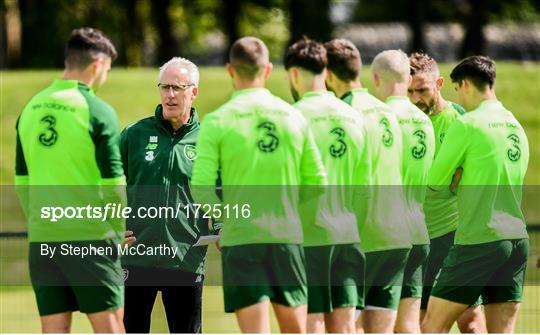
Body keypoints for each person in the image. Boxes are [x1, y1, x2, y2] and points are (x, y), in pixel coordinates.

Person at [191, 36, 326, 333]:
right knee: (296, 331)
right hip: (286, 237)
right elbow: (317, 182)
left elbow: (201, 187)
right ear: (267, 69)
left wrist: (228, 218)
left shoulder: (217, 120)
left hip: (242, 240)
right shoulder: (294, 115)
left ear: (230, 70)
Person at [15, 27, 125, 333]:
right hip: (91, 237)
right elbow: (114, 183)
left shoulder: (30, 108)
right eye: (108, 69)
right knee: (111, 327)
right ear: (97, 65)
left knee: (53, 329)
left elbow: (22, 181)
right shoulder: (98, 111)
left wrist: (41, 223)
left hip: (43, 240)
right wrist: (116, 233)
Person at [421, 56, 530, 333]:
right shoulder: (515, 126)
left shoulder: (468, 124)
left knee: (432, 324)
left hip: (480, 239)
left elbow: (435, 181)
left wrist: (457, 174)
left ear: (465, 84)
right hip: (517, 240)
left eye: (457, 89)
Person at [324, 38, 411, 333]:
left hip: (364, 236)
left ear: (327, 74)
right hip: (397, 235)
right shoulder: (387, 111)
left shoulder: (341, 113)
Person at [284, 37, 369, 333]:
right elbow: (365, 190)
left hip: (308, 239)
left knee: (311, 325)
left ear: (294, 74)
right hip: (349, 235)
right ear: (325, 70)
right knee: (345, 328)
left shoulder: (291, 118)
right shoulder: (355, 117)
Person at [120, 57, 209, 333]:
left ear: (193, 92)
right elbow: (103, 185)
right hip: (136, 257)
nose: (170, 95)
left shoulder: (209, 140)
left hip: (185, 259)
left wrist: (222, 227)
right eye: (165, 87)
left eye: (178, 88)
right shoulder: (134, 135)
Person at [408, 52, 487, 333]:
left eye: (422, 90)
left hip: (451, 235)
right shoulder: (401, 121)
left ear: (439, 83)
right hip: (412, 238)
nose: (415, 98)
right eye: (409, 91)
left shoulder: (460, 119)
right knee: (416, 325)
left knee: (471, 322)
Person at [370, 49, 435, 333]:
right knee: (409, 325)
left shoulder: (379, 117)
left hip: (384, 232)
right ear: (408, 79)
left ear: (375, 78)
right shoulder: (425, 121)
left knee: (369, 324)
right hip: (418, 230)